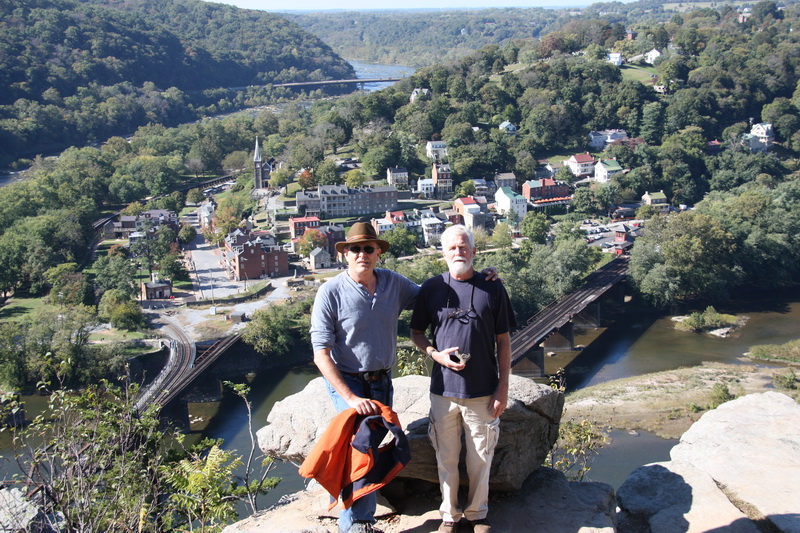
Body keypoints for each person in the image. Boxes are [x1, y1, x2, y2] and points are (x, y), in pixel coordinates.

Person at [310, 222, 499, 533]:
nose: (362, 255)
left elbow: (437, 294)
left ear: (378, 253)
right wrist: (351, 398)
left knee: (369, 447)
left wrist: (482, 276)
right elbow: (320, 353)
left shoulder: (392, 283)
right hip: (350, 383)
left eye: (369, 248)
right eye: (355, 249)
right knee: (361, 447)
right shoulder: (330, 292)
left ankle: (360, 516)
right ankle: (356, 524)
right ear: (345, 254)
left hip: (382, 380)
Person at [409, 225, 516, 533]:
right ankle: (449, 515)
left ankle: (477, 514)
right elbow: (416, 333)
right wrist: (435, 354)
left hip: (483, 391)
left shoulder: (492, 287)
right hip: (443, 391)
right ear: (443, 253)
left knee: (481, 457)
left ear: (474, 251)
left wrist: (502, 387)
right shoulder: (431, 288)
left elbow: (504, 340)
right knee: (446, 456)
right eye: (452, 248)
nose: (459, 252)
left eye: (464, 247)